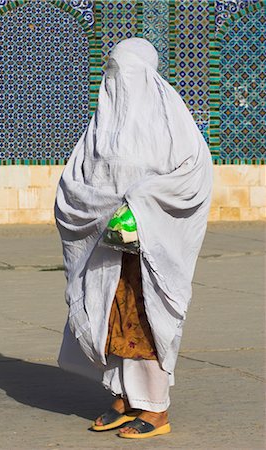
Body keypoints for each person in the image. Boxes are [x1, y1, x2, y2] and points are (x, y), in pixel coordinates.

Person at [55, 37, 213, 439]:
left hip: (152, 249)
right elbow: (76, 179)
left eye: (125, 70)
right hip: (106, 248)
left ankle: (156, 410)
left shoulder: (171, 119)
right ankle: (125, 397)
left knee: (146, 322)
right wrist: (101, 205)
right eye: (112, 70)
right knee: (111, 319)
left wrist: (142, 200)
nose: (117, 79)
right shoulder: (101, 123)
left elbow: (193, 174)